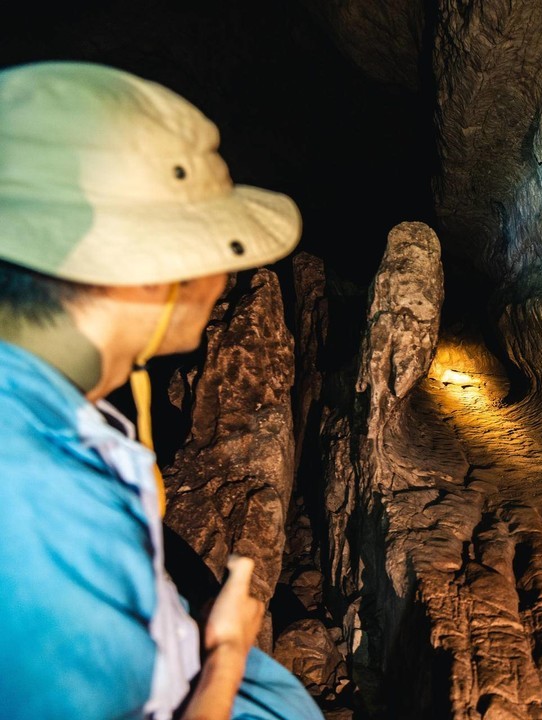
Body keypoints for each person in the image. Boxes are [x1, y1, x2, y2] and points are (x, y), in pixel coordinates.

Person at [0, 61, 325, 720]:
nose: (227, 272)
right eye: (216, 247)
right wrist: (229, 650)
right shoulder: (38, 498)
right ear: (149, 275)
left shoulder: (49, 411)